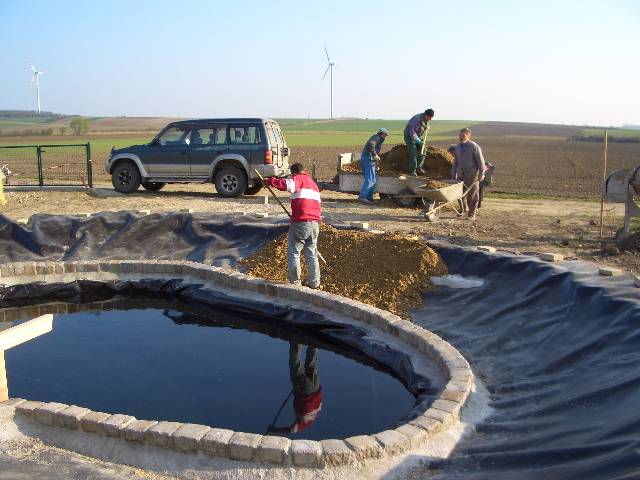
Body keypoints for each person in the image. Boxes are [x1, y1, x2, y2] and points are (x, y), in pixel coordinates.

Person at [264, 163, 321, 288]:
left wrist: (270, 181)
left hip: (301, 223)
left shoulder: (298, 179)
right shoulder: (314, 185)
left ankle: (295, 283)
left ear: (293, 173)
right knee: (311, 253)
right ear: (304, 170)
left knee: (294, 252)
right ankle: (314, 282)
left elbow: (285, 184)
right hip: (315, 224)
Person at [267, 342, 323, 434]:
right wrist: (274, 430)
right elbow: (292, 430)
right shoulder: (304, 422)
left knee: (312, 363)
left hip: (315, 387)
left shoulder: (314, 416)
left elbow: (320, 401)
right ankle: (295, 341)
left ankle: (313, 343)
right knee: (295, 362)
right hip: (304, 391)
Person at [452, 128, 485, 220]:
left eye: (463, 135)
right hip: (460, 174)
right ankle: (463, 209)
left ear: (468, 136)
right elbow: (456, 161)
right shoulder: (458, 147)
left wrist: (482, 174)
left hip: (472, 174)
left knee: (472, 195)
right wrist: (453, 173)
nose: (461, 137)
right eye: (460, 135)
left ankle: (472, 214)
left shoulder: (474, 147)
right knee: (459, 194)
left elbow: (481, 162)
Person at [358, 128, 389, 205]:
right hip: (368, 159)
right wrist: (375, 155)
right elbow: (371, 144)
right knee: (370, 179)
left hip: (367, 159)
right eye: (385, 135)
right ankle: (363, 197)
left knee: (373, 179)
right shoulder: (377, 138)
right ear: (382, 134)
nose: (385, 137)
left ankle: (368, 198)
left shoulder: (376, 137)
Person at [404, 108, 435, 176]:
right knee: (413, 151)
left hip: (418, 136)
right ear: (426, 115)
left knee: (423, 149)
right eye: (430, 117)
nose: (430, 119)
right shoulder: (416, 119)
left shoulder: (425, 119)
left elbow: (424, 125)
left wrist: (426, 127)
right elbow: (412, 132)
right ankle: (412, 171)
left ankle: (419, 167)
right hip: (409, 136)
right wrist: (418, 141)